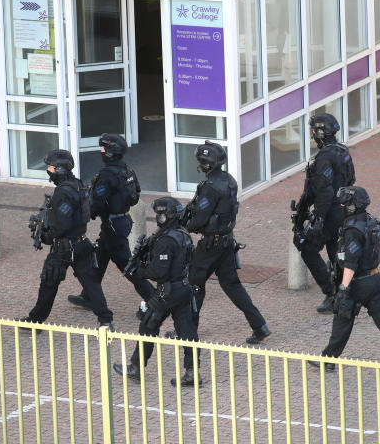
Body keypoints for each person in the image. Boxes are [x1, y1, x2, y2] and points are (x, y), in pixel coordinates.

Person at [310, 186, 380, 373]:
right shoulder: (371, 221)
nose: (341, 205)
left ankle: (328, 360)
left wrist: (344, 288)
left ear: (352, 206)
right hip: (374, 278)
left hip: (357, 283)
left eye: (345, 203)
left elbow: (351, 263)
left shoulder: (353, 230)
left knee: (342, 320)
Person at [182, 141, 271, 345]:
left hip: (210, 246)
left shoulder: (210, 188)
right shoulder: (229, 180)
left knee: (194, 285)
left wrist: (184, 226)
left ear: (206, 164)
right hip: (226, 242)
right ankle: (259, 325)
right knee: (233, 286)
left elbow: (200, 219)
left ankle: (188, 332)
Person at [18, 149, 115, 329]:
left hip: (64, 247)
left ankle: (35, 322)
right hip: (82, 243)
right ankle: (105, 320)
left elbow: (62, 224)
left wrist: (46, 236)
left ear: (60, 169)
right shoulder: (77, 184)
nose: (48, 170)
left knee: (49, 282)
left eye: (51, 167)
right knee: (91, 283)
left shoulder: (63, 193)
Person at [113, 197, 201, 387]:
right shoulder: (182, 234)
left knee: (147, 325)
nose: (157, 217)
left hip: (167, 292)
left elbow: (158, 271)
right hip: (183, 288)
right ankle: (192, 372)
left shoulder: (166, 240)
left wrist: (139, 271)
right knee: (187, 332)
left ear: (166, 216)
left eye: (159, 214)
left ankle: (136, 368)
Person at [67, 133, 153, 319]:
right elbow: (136, 194)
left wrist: (85, 216)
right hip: (119, 221)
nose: (101, 152)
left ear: (111, 153)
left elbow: (97, 200)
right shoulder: (127, 170)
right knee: (99, 258)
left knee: (127, 265)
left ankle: (153, 300)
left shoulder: (106, 175)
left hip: (113, 226)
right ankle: (89, 295)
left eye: (104, 149)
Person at [292, 113, 356, 312]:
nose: (312, 134)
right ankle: (342, 295)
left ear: (320, 133)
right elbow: (351, 179)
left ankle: (331, 293)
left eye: (313, 130)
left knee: (308, 249)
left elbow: (324, 191)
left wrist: (318, 218)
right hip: (344, 209)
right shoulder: (342, 150)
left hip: (330, 212)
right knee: (334, 253)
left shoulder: (324, 157)